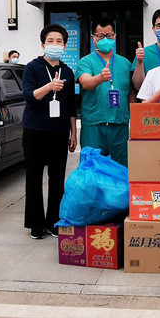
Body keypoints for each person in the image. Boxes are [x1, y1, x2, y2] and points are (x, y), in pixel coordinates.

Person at [22, 24, 77, 239]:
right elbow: (29, 96)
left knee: (57, 177)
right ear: (43, 45)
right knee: (34, 177)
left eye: (59, 41)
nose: (55, 45)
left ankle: (54, 220)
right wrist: (49, 87)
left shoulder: (68, 71)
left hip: (59, 131)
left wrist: (73, 132)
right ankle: (35, 223)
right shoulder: (32, 67)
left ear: (64, 46)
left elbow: (71, 105)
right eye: (50, 41)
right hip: (35, 130)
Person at [76, 17, 131, 167]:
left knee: (120, 169)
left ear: (115, 37)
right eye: (100, 36)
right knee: (92, 169)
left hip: (119, 124)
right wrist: (100, 77)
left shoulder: (125, 63)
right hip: (94, 125)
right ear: (93, 38)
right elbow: (86, 83)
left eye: (109, 35)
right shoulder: (86, 61)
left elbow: (131, 92)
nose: (105, 39)